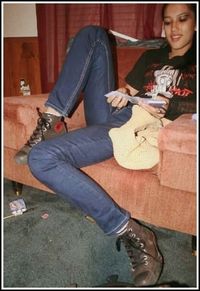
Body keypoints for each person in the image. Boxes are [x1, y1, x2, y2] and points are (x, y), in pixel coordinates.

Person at [14, 3, 196, 287]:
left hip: (141, 126)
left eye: (182, 19)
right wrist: (123, 94)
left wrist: (171, 106)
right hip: (120, 114)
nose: (174, 28)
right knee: (93, 34)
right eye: (168, 21)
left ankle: (132, 232)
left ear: (194, 23)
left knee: (41, 158)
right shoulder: (153, 56)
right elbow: (133, 92)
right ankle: (51, 119)